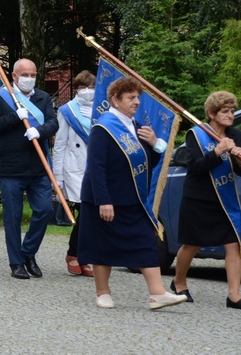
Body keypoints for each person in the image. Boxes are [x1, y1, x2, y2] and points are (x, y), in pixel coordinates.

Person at [78, 77, 185, 310]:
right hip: (105, 198)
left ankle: (157, 294)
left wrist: (156, 143)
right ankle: (102, 292)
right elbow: (96, 167)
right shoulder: (102, 128)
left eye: (138, 97)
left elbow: (148, 162)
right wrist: (103, 200)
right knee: (102, 245)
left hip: (132, 197)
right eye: (131, 97)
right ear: (116, 100)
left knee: (145, 242)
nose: (136, 102)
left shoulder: (138, 128)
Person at [171, 91, 241, 310]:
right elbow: (196, 167)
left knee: (233, 243)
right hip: (198, 198)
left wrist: (239, 158)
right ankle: (179, 281)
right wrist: (217, 151)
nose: (230, 115)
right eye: (225, 111)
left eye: (232, 111)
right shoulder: (196, 135)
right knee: (193, 244)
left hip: (224, 200)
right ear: (211, 113)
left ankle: (234, 296)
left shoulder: (236, 134)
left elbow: (239, 171)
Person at [0, 58, 58, 279]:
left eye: (33, 75)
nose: (30, 79)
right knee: (13, 217)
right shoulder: (1, 97)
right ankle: (16, 262)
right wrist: (14, 117)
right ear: (14, 76)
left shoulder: (42, 97)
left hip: (38, 167)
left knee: (44, 210)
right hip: (11, 168)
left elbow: (53, 123)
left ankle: (28, 253)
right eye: (25, 75)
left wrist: (40, 132)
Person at [52, 70, 96, 276]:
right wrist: (57, 176)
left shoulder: (101, 110)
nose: (87, 91)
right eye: (83, 87)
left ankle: (82, 255)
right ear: (77, 89)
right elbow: (59, 144)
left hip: (94, 168)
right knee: (86, 212)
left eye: (91, 87)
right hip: (74, 169)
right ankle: (75, 253)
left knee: (93, 214)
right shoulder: (67, 110)